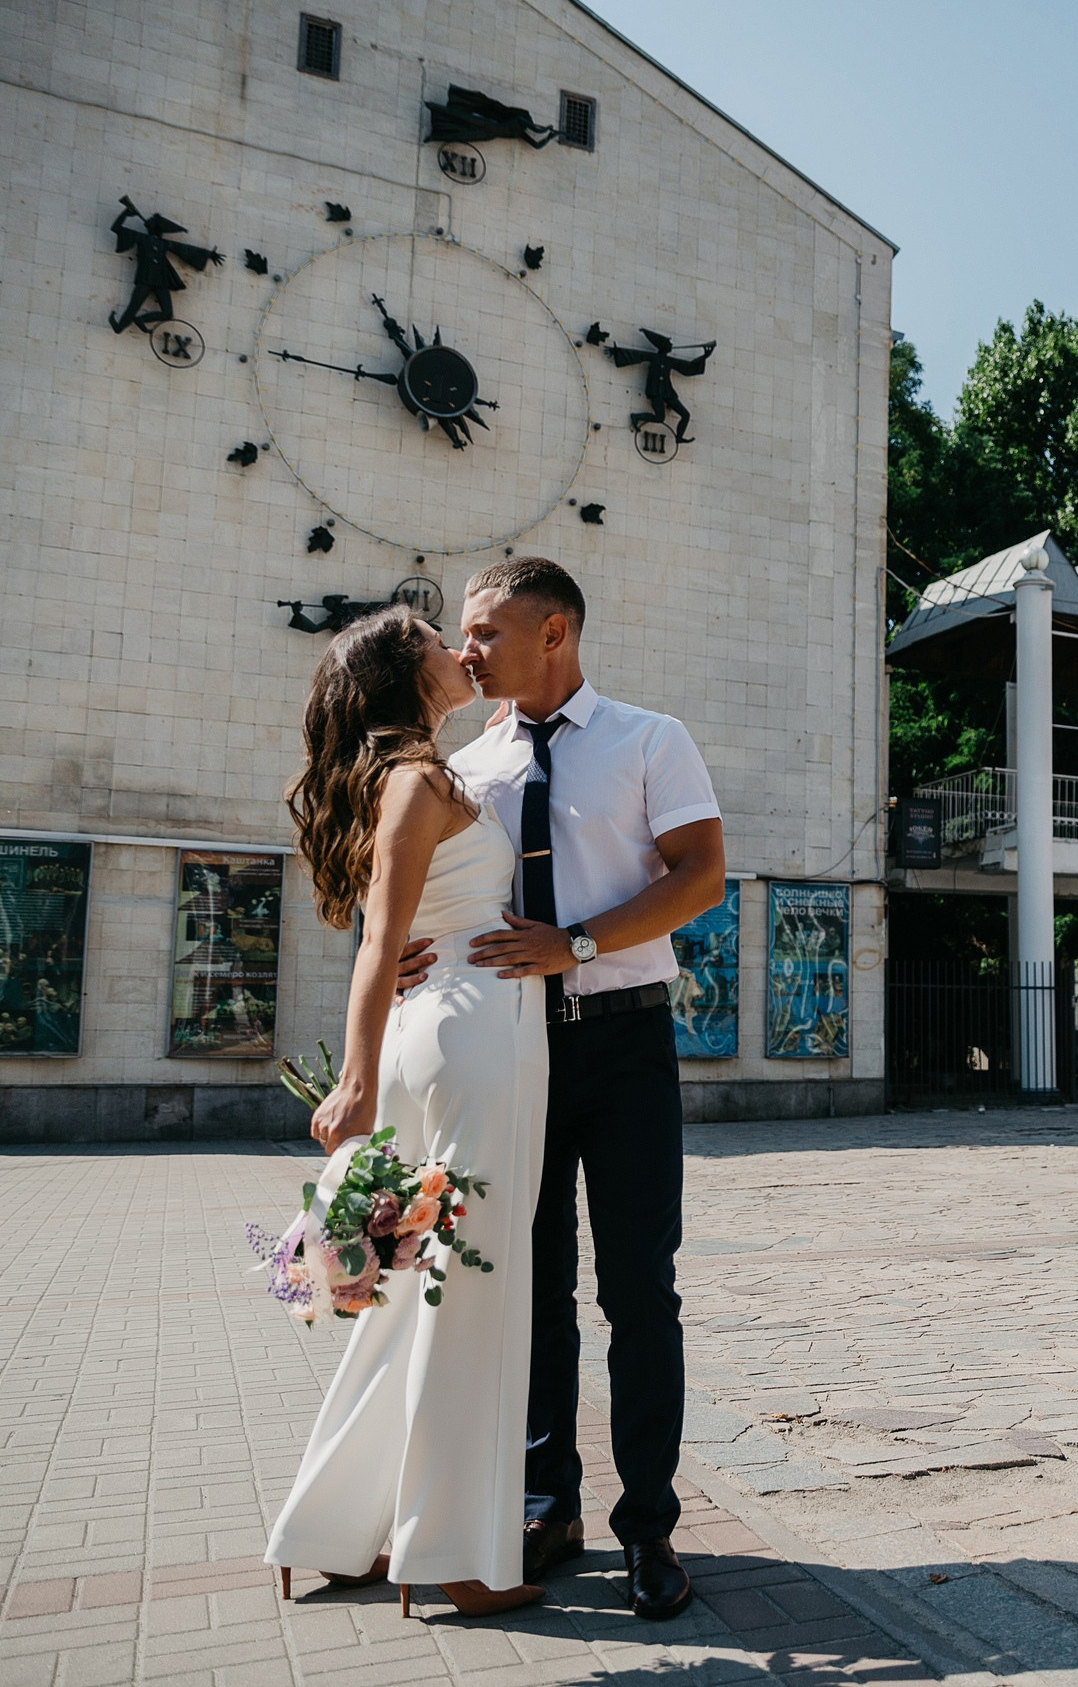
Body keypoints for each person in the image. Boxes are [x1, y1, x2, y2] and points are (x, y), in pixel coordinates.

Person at [397, 556, 724, 1621]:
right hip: (514, 1052)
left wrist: (575, 944)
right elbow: (428, 884)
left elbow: (698, 876)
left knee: (640, 1294)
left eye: (486, 631)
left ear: (557, 632)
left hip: (624, 1047)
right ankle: (550, 1507)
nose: (466, 649)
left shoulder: (648, 738)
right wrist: (404, 950)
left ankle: (651, 1530)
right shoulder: (469, 763)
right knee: (527, 1295)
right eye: (463, 631)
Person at [263, 609, 548, 1620]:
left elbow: (389, 935)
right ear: (404, 671)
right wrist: (350, 1080)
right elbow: (383, 934)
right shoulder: (421, 780)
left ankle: (335, 1528)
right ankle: (453, 1554)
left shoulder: (415, 774)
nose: (456, 649)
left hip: (444, 1029)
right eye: (437, 636)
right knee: (473, 1299)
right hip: (479, 1038)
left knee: (410, 1297)